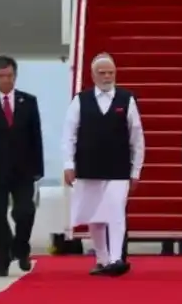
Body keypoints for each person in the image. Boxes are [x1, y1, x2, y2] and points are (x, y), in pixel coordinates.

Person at [61, 54, 144, 276]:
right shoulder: (80, 100)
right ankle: (102, 258)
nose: (107, 77)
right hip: (88, 166)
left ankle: (116, 258)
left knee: (115, 211)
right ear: (93, 75)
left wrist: (136, 170)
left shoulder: (126, 99)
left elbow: (137, 137)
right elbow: (69, 134)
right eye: (102, 73)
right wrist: (68, 164)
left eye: (111, 73)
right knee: (95, 215)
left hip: (118, 168)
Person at [0, 55, 43, 276]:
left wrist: (38, 168)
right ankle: (1, 261)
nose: (6, 80)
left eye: (10, 75)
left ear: (16, 75)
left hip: (24, 170)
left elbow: (36, 136)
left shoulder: (28, 101)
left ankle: (21, 248)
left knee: (25, 211)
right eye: (1, 76)